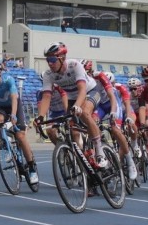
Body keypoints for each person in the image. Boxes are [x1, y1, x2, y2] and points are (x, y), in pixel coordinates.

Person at [35, 42, 107, 170]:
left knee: (84, 112)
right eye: (48, 60)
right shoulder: (48, 75)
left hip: (90, 91)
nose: (50, 63)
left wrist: (78, 106)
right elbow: (46, 97)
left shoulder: (74, 65)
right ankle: (81, 158)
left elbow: (82, 89)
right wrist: (40, 117)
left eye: (52, 60)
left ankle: (99, 150)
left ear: (62, 58)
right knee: (72, 129)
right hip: (72, 98)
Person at [0, 61, 38, 184]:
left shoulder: (8, 80)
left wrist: (14, 115)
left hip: (15, 106)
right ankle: (5, 146)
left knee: (20, 136)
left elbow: (14, 99)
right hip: (2, 108)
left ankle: (32, 169)